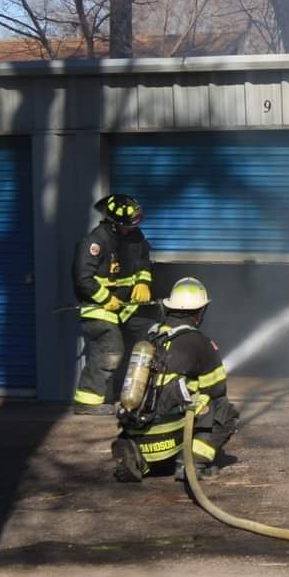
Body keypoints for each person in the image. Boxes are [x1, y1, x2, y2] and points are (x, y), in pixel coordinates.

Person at [111, 276, 239, 483]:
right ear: (200, 312)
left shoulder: (148, 337)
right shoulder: (200, 343)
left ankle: (139, 460)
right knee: (224, 410)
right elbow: (217, 389)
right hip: (171, 439)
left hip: (141, 435)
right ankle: (192, 463)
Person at [72, 194, 155, 415]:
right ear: (113, 223)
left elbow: (143, 260)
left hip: (127, 306)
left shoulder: (134, 236)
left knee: (152, 337)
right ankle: (87, 402)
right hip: (99, 308)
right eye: (127, 225)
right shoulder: (95, 242)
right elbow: (83, 279)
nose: (131, 229)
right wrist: (106, 299)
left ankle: (149, 396)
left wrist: (144, 281)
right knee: (111, 349)